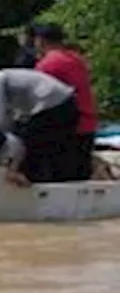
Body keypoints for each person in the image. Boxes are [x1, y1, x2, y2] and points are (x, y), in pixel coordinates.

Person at [33, 23, 97, 181]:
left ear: (40, 41)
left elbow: (38, 98)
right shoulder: (77, 59)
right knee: (81, 177)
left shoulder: (48, 64)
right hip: (88, 123)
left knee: (62, 178)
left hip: (66, 129)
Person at [0, 67, 80, 183]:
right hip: (65, 101)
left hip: (52, 103)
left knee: (29, 144)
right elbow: (15, 114)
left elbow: (2, 116)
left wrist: (2, 139)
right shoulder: (9, 77)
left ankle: (27, 180)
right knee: (57, 151)